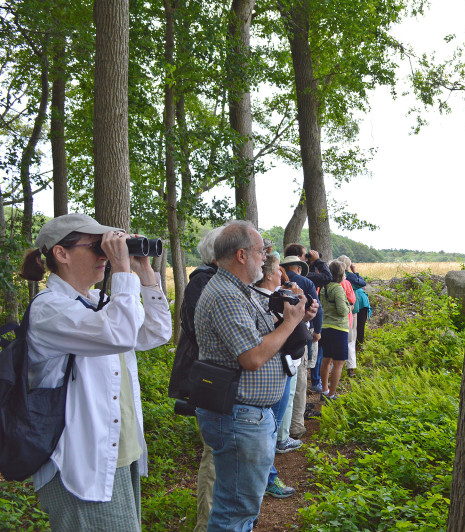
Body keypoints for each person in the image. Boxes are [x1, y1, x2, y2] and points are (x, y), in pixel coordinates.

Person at [20, 213, 172, 531]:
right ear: (61, 253)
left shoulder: (96, 301)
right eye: (96, 247)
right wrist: (121, 272)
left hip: (118, 452)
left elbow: (155, 333)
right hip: (80, 461)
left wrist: (143, 271)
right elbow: (119, 333)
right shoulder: (49, 308)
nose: (106, 254)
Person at [193, 220, 316, 531]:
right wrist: (289, 324)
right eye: (262, 251)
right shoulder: (225, 296)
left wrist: (297, 316)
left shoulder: (241, 292)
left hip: (247, 417)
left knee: (241, 508)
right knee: (236, 511)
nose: (266, 257)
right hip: (239, 417)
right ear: (241, 255)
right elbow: (253, 357)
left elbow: (266, 336)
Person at [167, 226, 223, 532]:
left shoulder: (217, 280)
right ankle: (207, 524)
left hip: (217, 377)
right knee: (213, 451)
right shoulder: (202, 281)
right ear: (220, 254)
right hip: (209, 378)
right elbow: (200, 330)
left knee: (220, 450)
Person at [250, 254, 300, 499]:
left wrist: (304, 310)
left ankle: (265, 477)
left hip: (282, 368)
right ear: (268, 274)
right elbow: (277, 337)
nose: (282, 275)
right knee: (271, 427)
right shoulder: (260, 300)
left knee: (272, 427)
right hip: (269, 374)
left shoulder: (278, 297)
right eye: (278, 271)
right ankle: (267, 479)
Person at [280, 255, 323, 436]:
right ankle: (296, 426)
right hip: (299, 336)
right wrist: (317, 330)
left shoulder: (281, 284)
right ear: (298, 267)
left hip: (281, 338)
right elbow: (317, 307)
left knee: (285, 386)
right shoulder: (305, 282)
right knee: (299, 384)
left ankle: (282, 428)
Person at [318, 260, 351, 399]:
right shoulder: (337, 288)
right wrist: (350, 307)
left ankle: (324, 390)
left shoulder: (323, 287)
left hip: (325, 327)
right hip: (338, 329)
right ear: (341, 273)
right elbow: (342, 311)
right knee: (338, 362)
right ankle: (332, 394)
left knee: (326, 360)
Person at [337, 255, 365, 377]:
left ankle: (334, 366)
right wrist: (355, 272)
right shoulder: (350, 279)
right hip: (350, 312)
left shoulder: (331, 280)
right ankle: (351, 367)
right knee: (350, 339)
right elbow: (362, 283)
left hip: (333, 315)